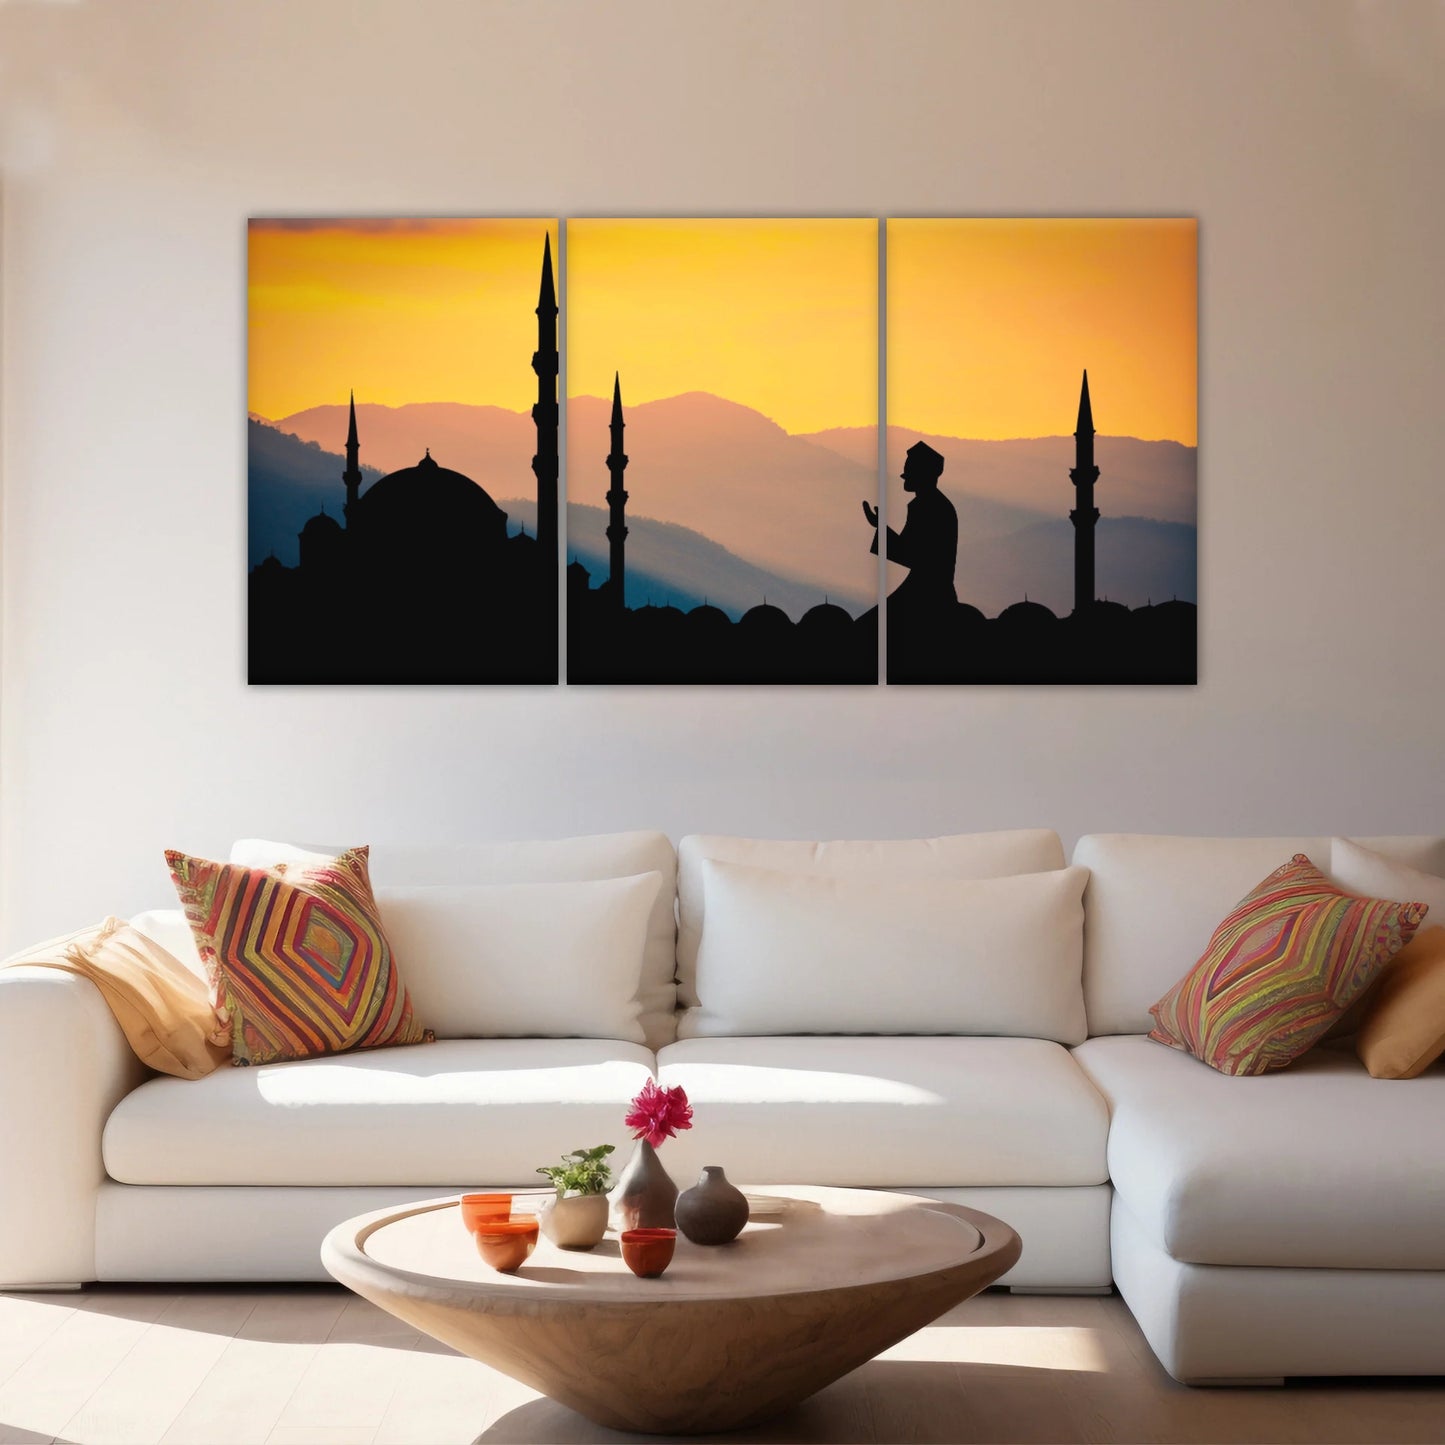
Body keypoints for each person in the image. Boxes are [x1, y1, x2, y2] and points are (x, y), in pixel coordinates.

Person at [863, 440, 957, 610]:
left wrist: (881, 529)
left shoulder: (926, 507)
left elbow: (910, 555)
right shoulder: (931, 504)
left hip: (926, 593)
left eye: (909, 473)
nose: (904, 477)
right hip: (928, 590)